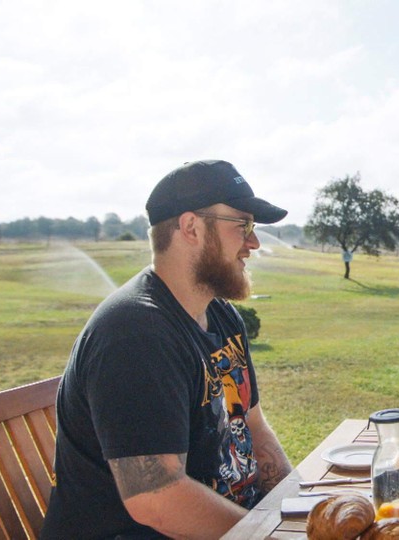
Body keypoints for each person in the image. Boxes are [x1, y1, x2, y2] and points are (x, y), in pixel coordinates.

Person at [42, 160, 294, 539]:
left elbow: (253, 425)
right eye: (242, 226)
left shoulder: (222, 316)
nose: (253, 242)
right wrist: (267, 534)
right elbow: (156, 498)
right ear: (191, 227)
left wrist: (294, 508)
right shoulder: (134, 333)